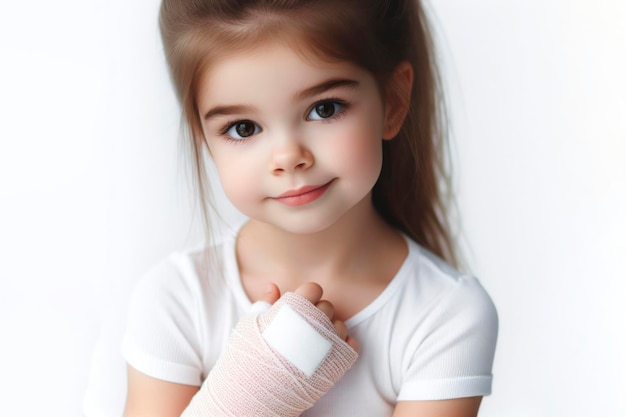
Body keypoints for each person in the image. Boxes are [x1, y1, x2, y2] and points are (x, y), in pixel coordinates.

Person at [122, 0, 498, 416]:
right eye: (243, 128)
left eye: (325, 108)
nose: (287, 156)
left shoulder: (445, 315)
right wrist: (250, 396)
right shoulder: (177, 300)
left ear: (392, 101)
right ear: (204, 138)